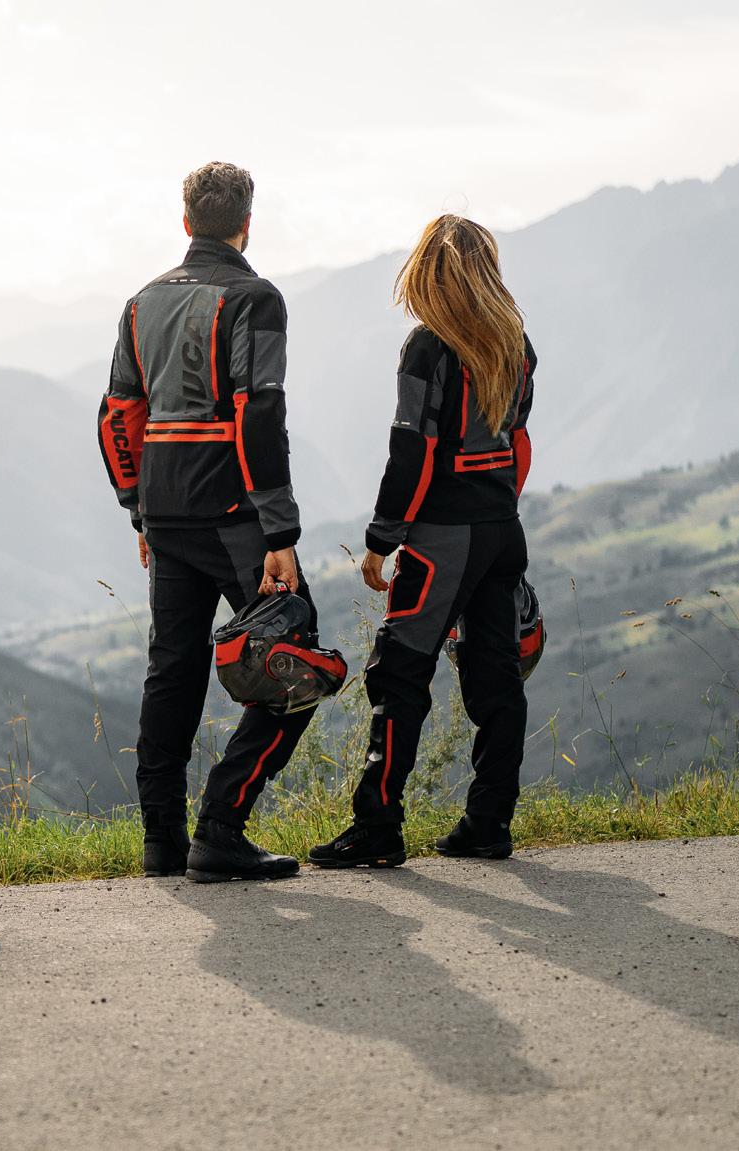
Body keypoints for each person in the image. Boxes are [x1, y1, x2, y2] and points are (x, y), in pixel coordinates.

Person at [97, 161, 320, 882]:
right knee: (298, 657)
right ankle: (221, 826)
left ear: (186, 220)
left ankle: (161, 842)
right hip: (235, 515)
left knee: (173, 670)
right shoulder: (255, 298)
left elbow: (117, 416)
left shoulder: (141, 303)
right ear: (247, 224)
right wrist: (280, 531)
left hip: (165, 512)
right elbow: (260, 412)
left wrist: (138, 508)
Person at [310, 214, 537, 868]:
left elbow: (412, 450)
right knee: (497, 675)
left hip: (443, 540)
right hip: (502, 530)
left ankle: (377, 828)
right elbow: (518, 443)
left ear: (429, 275)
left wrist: (381, 539)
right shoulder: (517, 345)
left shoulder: (428, 347)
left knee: (398, 671)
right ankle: (488, 823)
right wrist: (499, 512)